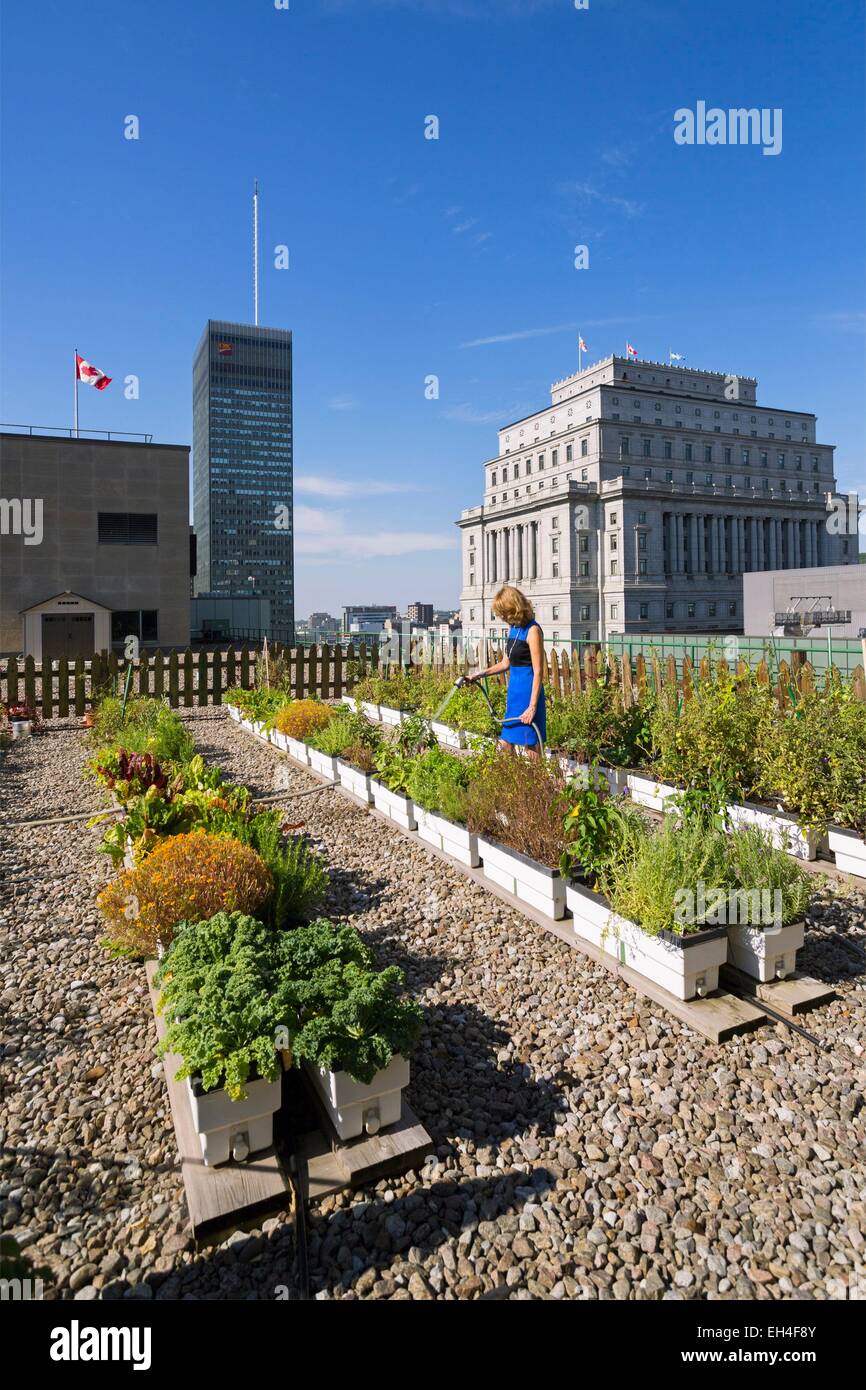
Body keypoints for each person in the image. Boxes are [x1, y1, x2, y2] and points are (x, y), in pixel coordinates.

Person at [468, 585, 546, 759]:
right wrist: (478, 675)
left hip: (528, 693)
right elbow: (505, 663)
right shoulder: (514, 629)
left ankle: (538, 784)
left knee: (530, 744)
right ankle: (513, 783)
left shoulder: (533, 631)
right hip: (514, 693)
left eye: (503, 612)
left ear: (514, 607)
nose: (501, 617)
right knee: (505, 743)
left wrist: (532, 706)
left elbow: (539, 671)